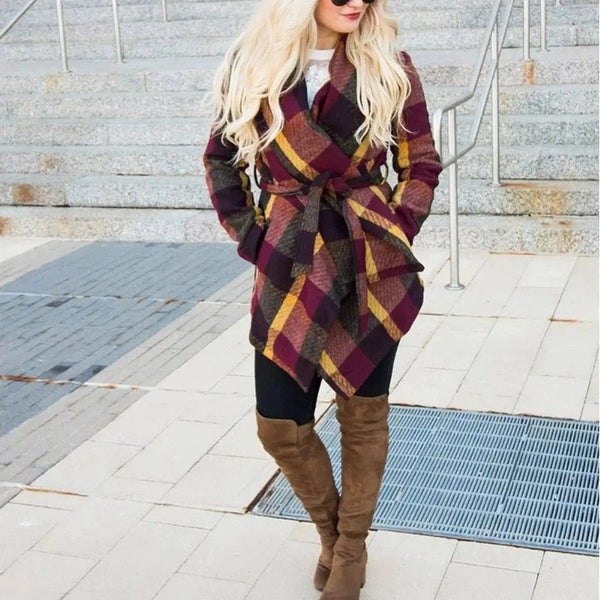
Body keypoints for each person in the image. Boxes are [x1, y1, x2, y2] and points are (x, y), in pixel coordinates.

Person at [202, 0, 443, 597]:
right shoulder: (254, 63)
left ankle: (352, 549)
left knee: (363, 415)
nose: (356, 2)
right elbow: (222, 162)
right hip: (289, 259)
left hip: (367, 258)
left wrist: (396, 227)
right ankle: (332, 534)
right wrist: (255, 239)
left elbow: (420, 162)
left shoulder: (388, 64)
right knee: (280, 424)